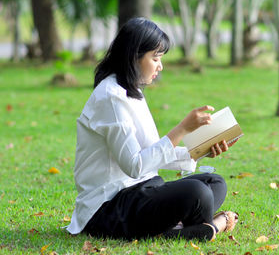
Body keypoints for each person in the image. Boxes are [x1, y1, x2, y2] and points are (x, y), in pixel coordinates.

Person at [66, 17, 238, 241]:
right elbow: (135, 165)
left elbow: (150, 153)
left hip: (142, 190)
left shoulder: (131, 90)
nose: (160, 66)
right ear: (134, 56)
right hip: (108, 206)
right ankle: (211, 226)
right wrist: (182, 129)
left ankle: (176, 228)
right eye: (155, 58)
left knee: (214, 183)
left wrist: (199, 150)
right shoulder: (110, 97)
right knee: (198, 194)